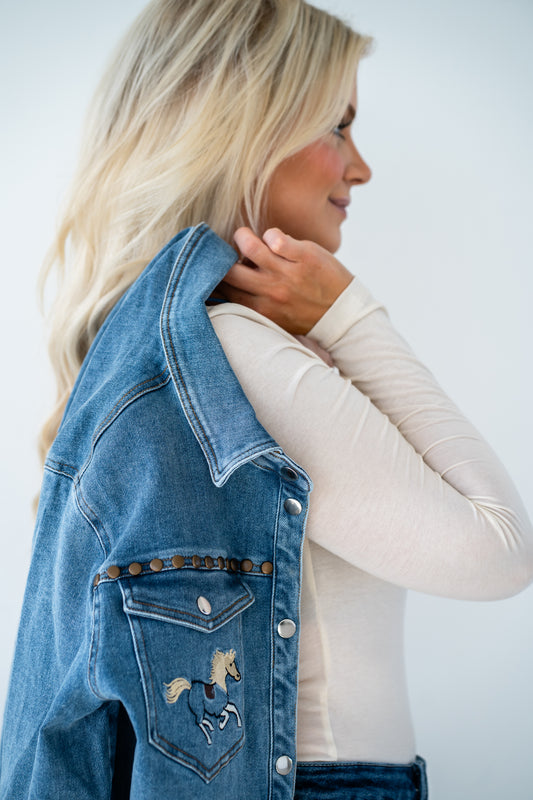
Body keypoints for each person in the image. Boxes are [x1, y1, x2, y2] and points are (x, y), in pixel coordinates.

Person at [1, 0, 532, 798]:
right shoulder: (240, 357)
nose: (360, 168)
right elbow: (498, 550)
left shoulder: (161, 354)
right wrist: (351, 315)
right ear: (247, 129)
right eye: (338, 126)